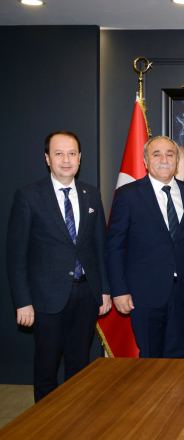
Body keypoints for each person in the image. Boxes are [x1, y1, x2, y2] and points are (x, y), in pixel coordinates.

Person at [7, 131, 111, 402]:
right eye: (59, 153)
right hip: (46, 299)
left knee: (79, 366)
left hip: (86, 295)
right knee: (46, 368)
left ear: (80, 157)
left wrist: (104, 290)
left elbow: (100, 247)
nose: (66, 160)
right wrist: (22, 302)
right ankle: (46, 423)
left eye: (72, 153)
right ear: (47, 158)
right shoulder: (29, 196)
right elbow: (16, 255)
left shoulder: (91, 194)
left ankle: (76, 418)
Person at [106, 135, 184, 358]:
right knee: (150, 360)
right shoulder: (128, 195)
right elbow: (114, 247)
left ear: (177, 160)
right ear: (145, 161)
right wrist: (119, 291)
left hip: (183, 292)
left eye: (170, 154)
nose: (164, 159)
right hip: (144, 294)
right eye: (156, 154)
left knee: (179, 357)